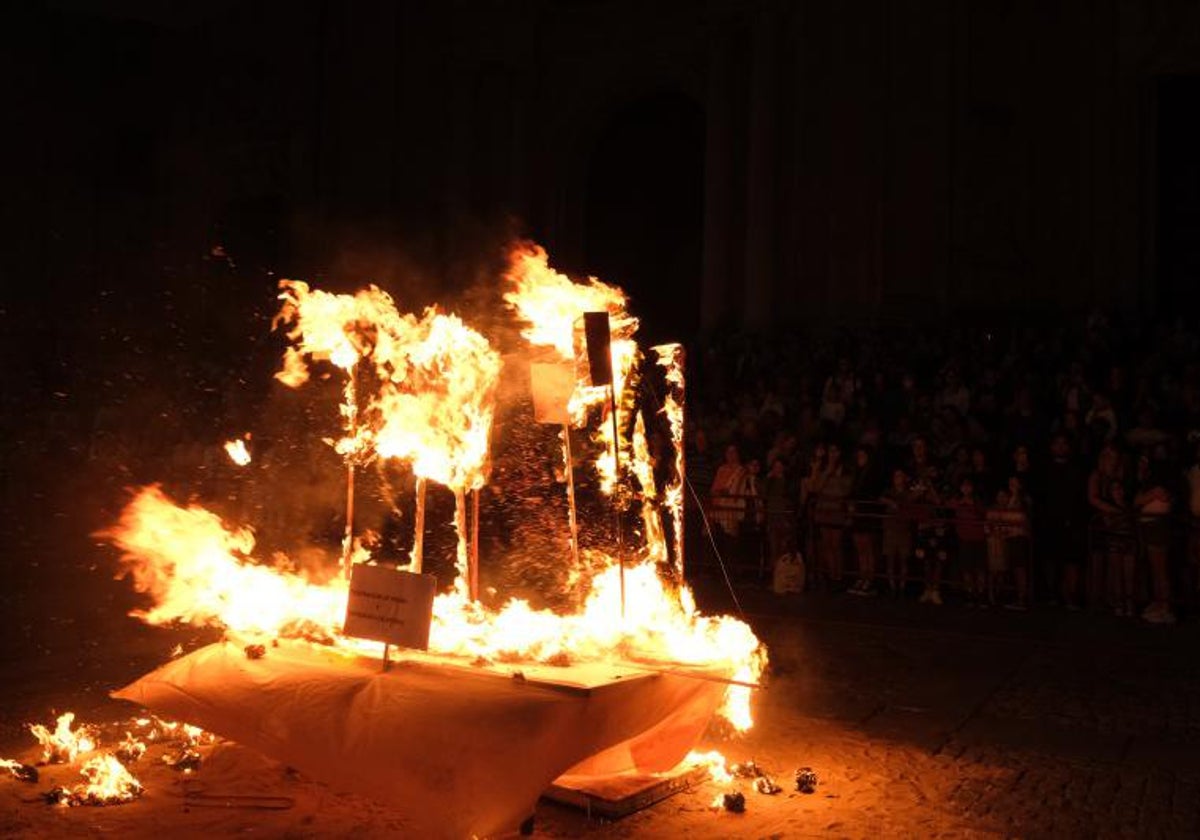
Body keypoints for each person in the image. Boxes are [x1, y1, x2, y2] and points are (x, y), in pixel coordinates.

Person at [1040, 433, 1087, 608]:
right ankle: (1052, 592)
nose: (1060, 447)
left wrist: (1073, 518)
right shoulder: (1044, 469)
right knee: (1050, 558)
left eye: (1063, 443)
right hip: (1049, 522)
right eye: (1056, 443)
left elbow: (1079, 497)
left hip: (1071, 523)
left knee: (1071, 560)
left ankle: (1071, 594)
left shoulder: (1076, 470)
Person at [1134, 456, 1176, 624]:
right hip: (1151, 529)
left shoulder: (1158, 489)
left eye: (1145, 463)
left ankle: (1165, 607)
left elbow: (1137, 501)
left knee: (1160, 571)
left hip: (1157, 530)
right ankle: (1159, 603)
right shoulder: (1150, 486)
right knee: (1155, 570)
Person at [848, 446, 884, 595]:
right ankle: (862, 576)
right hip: (858, 513)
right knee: (860, 547)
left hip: (867, 513)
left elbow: (874, 494)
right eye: (859, 455)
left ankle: (870, 578)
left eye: (863, 455)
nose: (860, 458)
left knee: (868, 548)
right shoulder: (856, 474)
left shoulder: (873, 474)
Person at [949, 476, 988, 606]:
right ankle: (970, 592)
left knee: (980, 568)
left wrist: (972, 505)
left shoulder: (978, 501)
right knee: (967, 568)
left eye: (968, 485)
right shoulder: (957, 501)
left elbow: (983, 512)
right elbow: (946, 504)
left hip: (978, 538)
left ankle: (981, 593)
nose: (966, 488)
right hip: (964, 538)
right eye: (963, 486)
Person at [880, 468, 915, 597]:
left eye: (900, 476)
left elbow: (915, 497)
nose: (898, 478)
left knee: (903, 559)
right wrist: (890, 502)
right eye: (896, 476)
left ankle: (902, 587)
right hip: (890, 529)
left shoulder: (908, 492)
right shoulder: (888, 492)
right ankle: (892, 586)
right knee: (890, 559)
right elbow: (880, 498)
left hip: (904, 530)